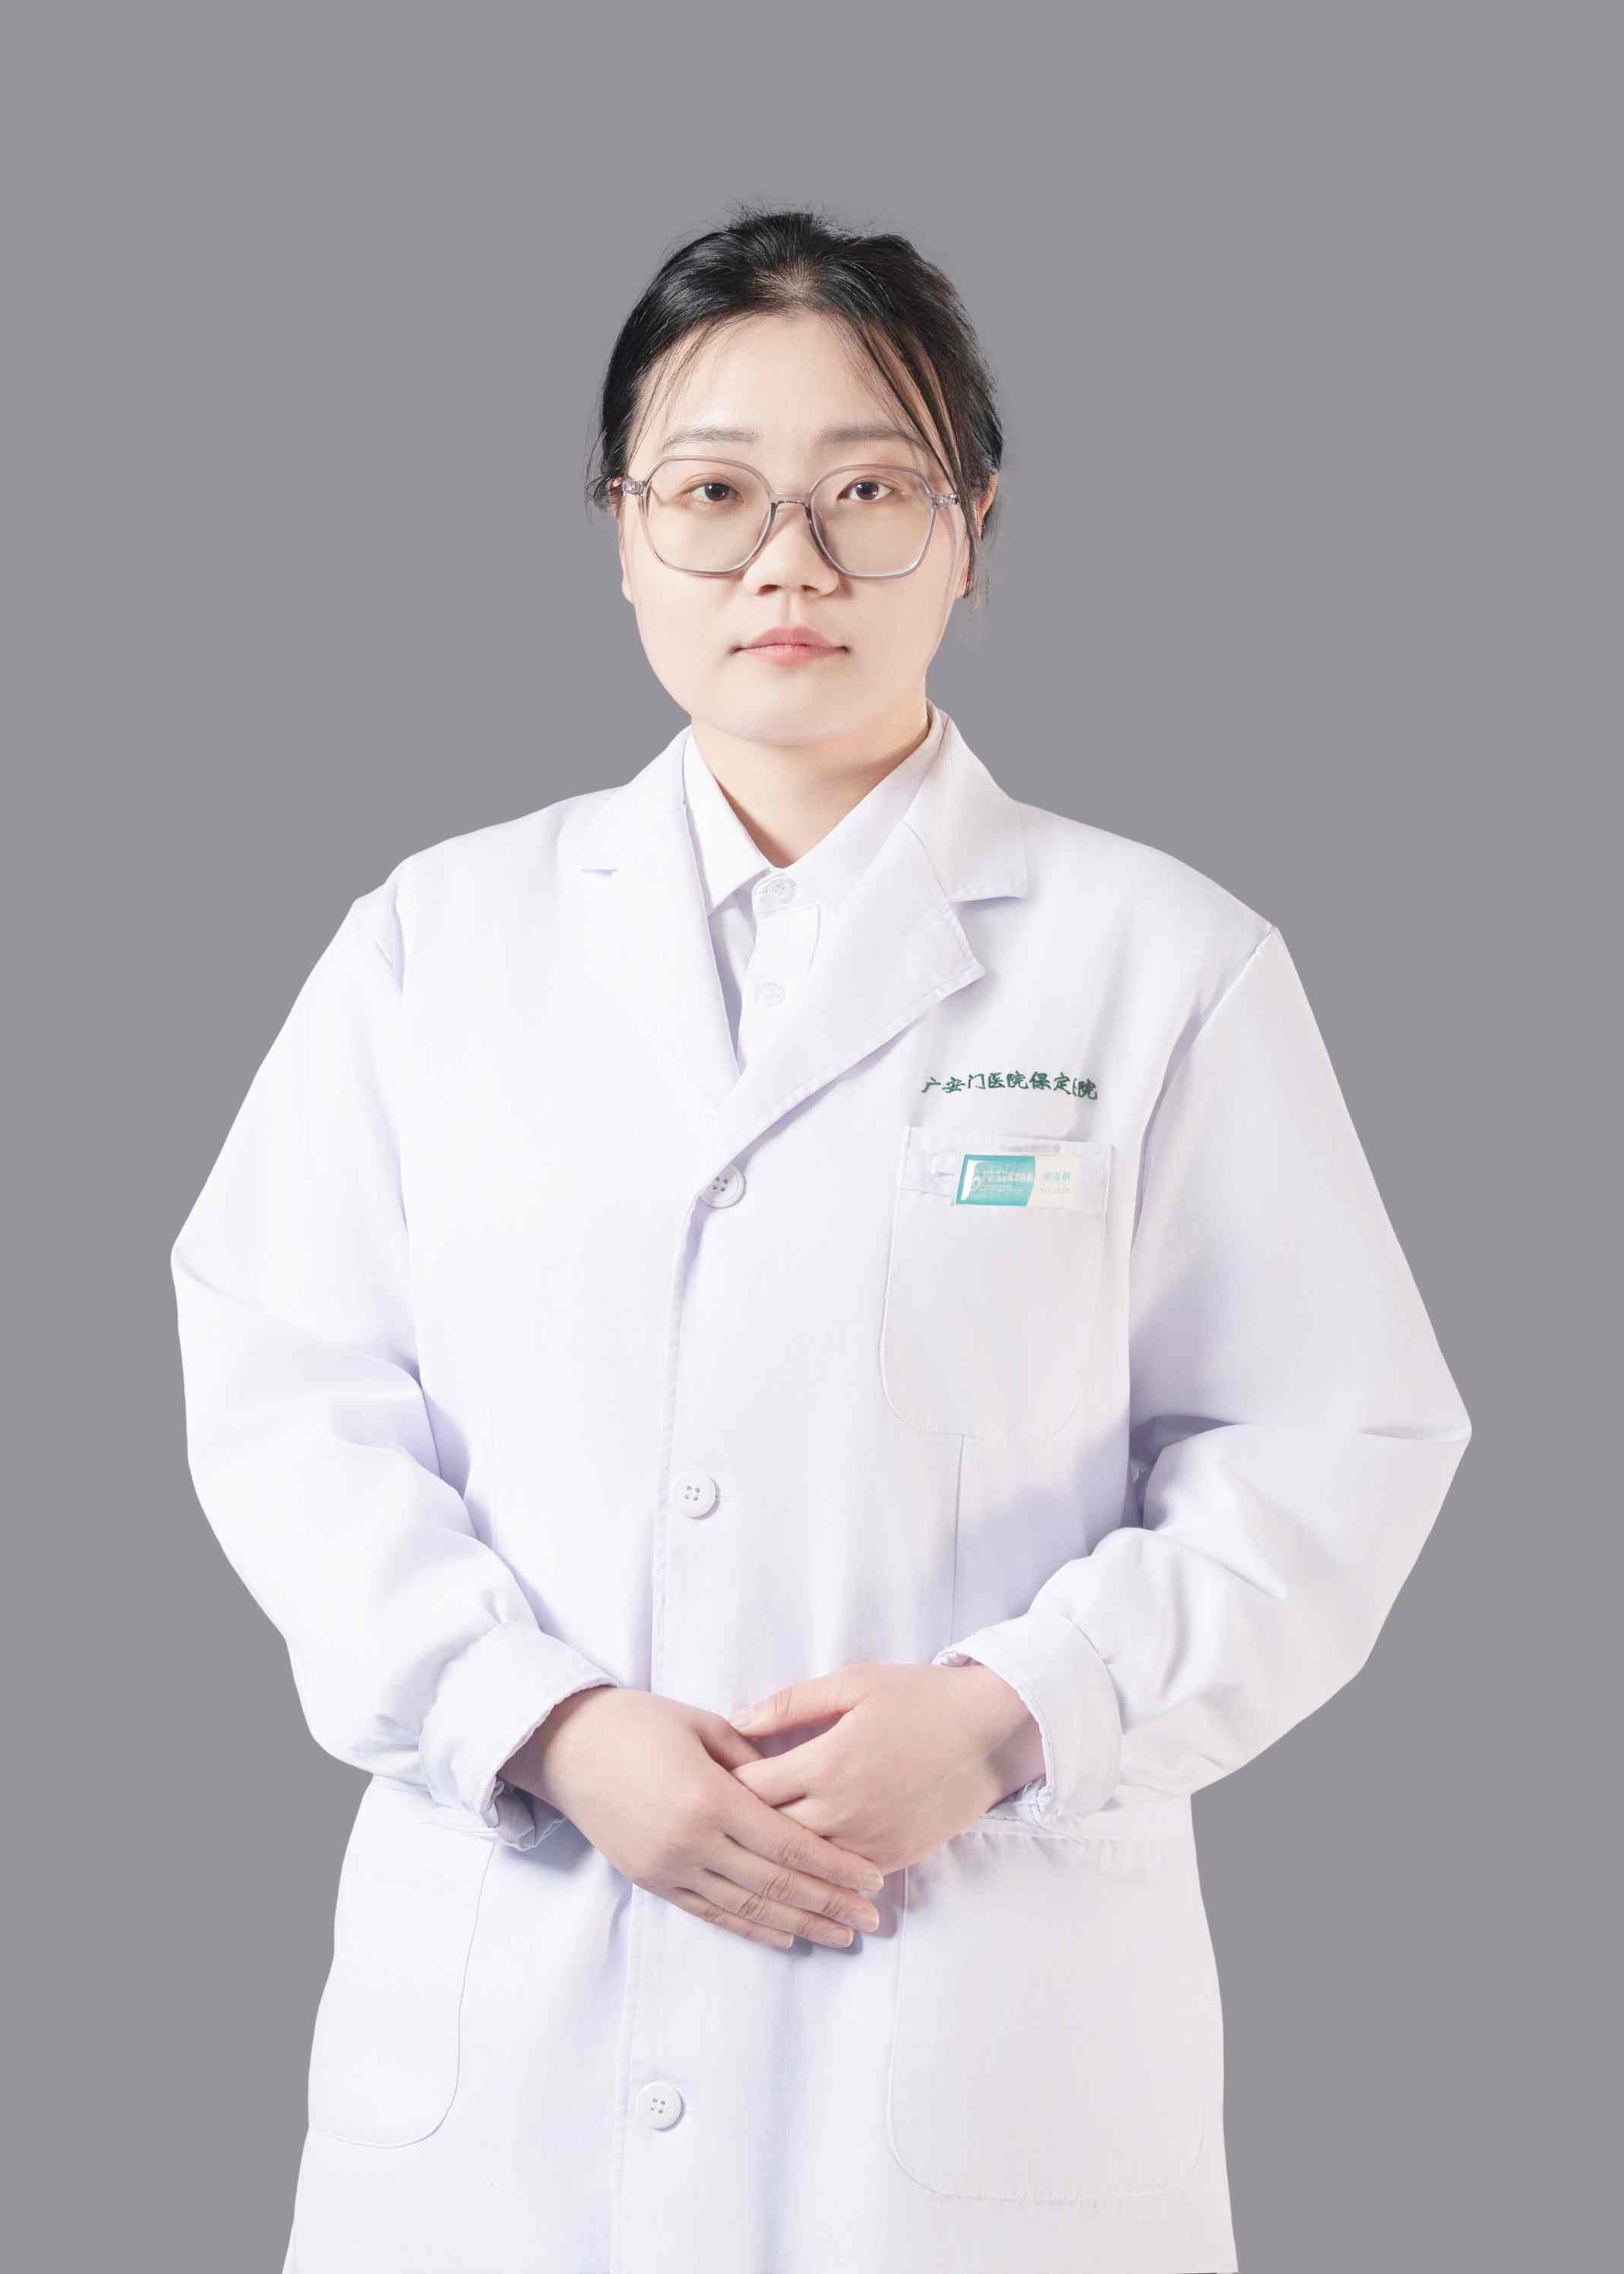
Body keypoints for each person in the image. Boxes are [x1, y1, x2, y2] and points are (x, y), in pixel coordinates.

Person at [168, 202, 1472, 2274]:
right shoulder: (435, 945)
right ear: (622, 535)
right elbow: (284, 1393)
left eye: (870, 491)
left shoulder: (1161, 965)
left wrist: (1010, 1715)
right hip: (519, 2026)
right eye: (713, 495)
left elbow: (1334, 1446)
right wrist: (544, 1724)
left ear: (972, 533)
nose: (790, 562)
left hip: (970, 2015)